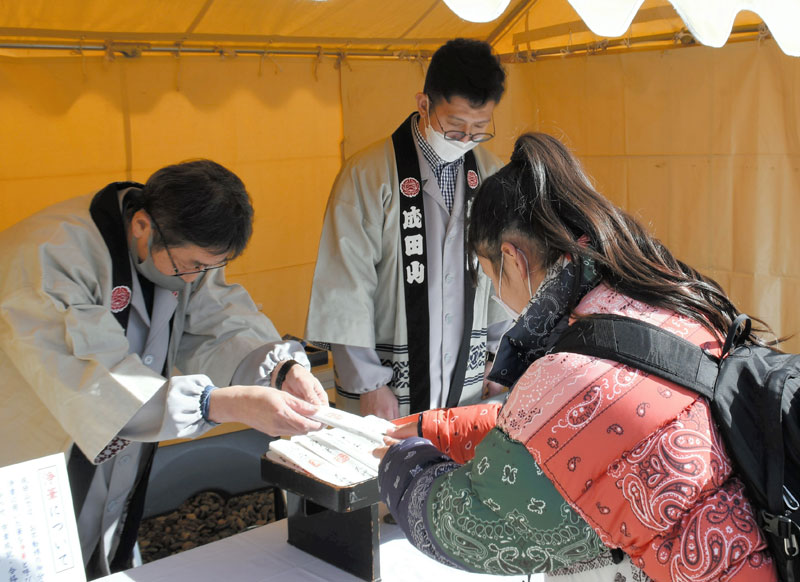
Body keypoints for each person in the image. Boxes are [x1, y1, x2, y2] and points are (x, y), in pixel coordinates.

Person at [376, 133, 778, 581]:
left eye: (490, 276)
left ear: (512, 259)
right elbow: (566, 432)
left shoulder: (568, 370)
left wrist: (403, 463)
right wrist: (438, 429)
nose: (495, 293)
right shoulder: (662, 293)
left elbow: (469, 525)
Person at [0, 160, 328, 579]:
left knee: (103, 555)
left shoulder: (179, 248)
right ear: (142, 225)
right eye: (191, 265)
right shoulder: (48, 257)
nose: (194, 279)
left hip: (115, 455)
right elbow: (97, 383)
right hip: (35, 451)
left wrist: (281, 368)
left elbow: (218, 322)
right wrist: (217, 404)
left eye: (208, 268)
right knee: (34, 562)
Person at [306, 38, 510, 420]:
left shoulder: (491, 174)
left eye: (479, 129)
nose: (466, 140)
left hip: (469, 386)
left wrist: (499, 358)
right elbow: (345, 285)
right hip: (387, 392)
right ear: (423, 104)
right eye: (455, 127)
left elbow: (503, 274)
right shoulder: (368, 175)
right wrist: (369, 383)